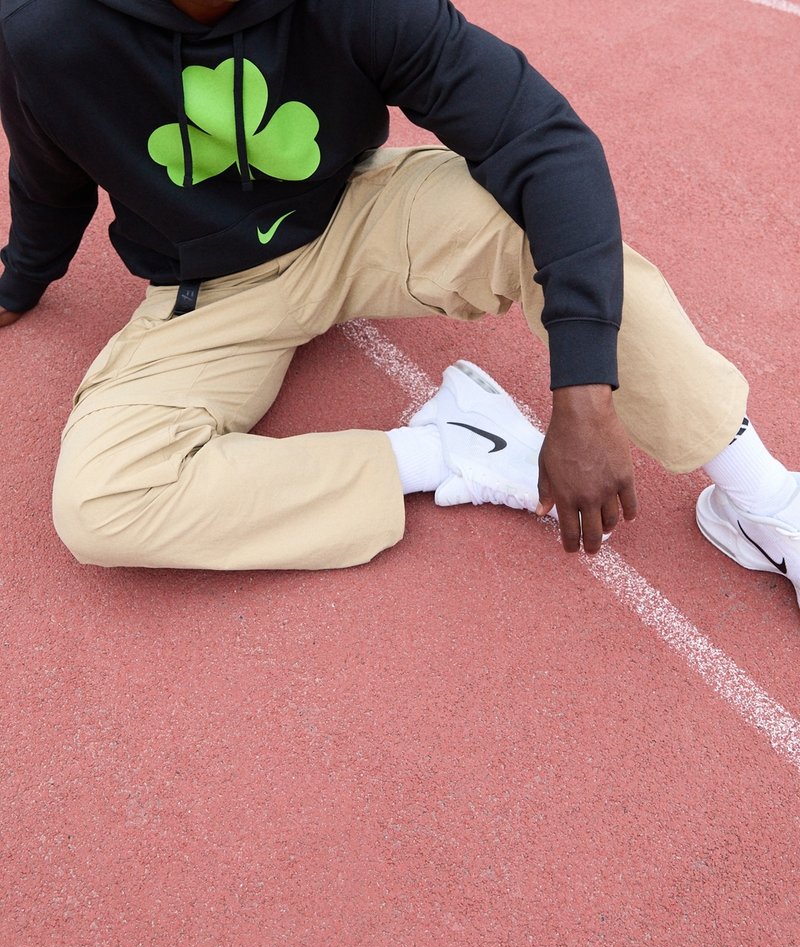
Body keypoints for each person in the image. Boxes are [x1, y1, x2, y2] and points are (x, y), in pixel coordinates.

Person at [0, 0, 797, 602]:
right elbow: (48, 182)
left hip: (356, 215)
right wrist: (17, 280)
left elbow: (545, 141)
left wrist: (583, 395)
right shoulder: (43, 32)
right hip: (207, 291)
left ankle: (764, 501)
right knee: (100, 501)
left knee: (535, 220)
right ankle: (450, 446)